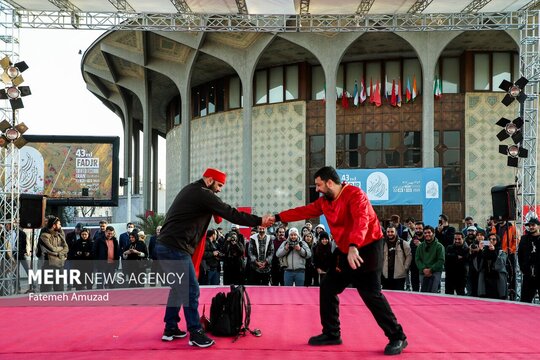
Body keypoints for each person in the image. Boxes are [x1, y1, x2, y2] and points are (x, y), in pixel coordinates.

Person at [272, 166, 407, 355]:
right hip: (345, 249)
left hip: (367, 247)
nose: (317, 189)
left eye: (318, 185)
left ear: (329, 182)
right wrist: (278, 217)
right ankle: (331, 333)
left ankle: (397, 337)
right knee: (327, 287)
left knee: (370, 293)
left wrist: (354, 246)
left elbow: (362, 220)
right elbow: (303, 211)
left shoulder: (355, 194)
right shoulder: (323, 202)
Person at [156, 167, 273, 348]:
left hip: (166, 245)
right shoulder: (203, 194)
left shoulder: (191, 190)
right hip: (175, 247)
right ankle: (195, 333)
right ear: (209, 180)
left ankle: (170, 328)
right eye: (219, 185)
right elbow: (230, 213)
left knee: (178, 289)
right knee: (190, 290)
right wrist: (259, 221)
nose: (219, 190)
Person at [39, 216, 69, 292]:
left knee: (59, 291)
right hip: (49, 266)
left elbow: (66, 248)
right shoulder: (44, 235)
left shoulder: (59, 234)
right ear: (54, 225)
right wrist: (60, 249)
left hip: (60, 265)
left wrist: (58, 253)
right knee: (46, 291)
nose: (60, 226)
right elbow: (51, 249)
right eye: (59, 224)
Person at [415, 225, 445, 293]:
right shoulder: (420, 246)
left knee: (433, 293)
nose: (427, 234)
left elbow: (441, 260)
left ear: (433, 233)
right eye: (425, 233)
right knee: (423, 293)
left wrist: (431, 270)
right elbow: (417, 259)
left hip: (435, 272)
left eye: (429, 232)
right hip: (423, 272)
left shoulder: (439, 246)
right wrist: (424, 269)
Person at [381, 225, 412, 291]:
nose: (390, 233)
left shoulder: (403, 243)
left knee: (398, 295)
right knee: (386, 294)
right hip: (386, 275)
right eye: (388, 232)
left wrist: (405, 267)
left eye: (392, 232)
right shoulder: (383, 243)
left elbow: (409, 256)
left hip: (399, 275)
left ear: (396, 232)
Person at [518, 217, 540, 303]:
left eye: (533, 225)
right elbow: (520, 254)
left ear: (538, 226)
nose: (531, 227)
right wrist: (523, 267)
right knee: (525, 301)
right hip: (528, 273)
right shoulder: (524, 238)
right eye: (529, 225)